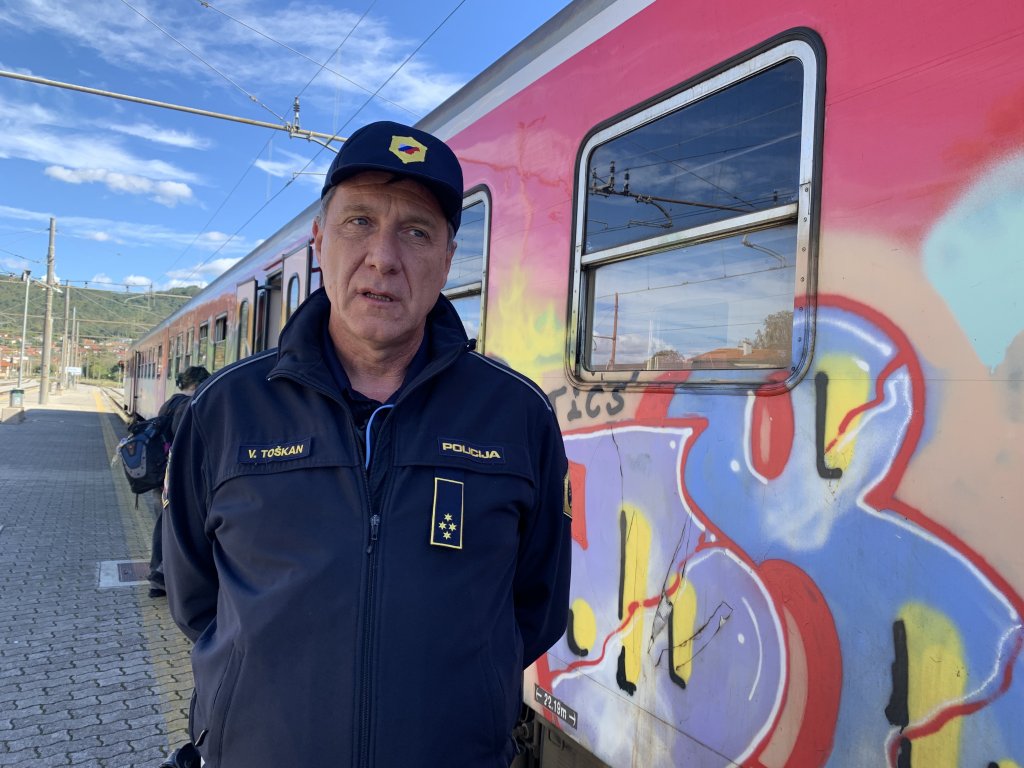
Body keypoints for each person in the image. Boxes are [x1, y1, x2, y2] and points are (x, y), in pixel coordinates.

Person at [163, 120, 572, 768]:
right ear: (321, 240)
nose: (384, 256)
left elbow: (535, 608)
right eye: (359, 221)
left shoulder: (517, 417)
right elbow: (194, 597)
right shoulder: (225, 410)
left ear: (447, 257)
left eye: (416, 230)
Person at [148, 365, 210, 598]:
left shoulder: (171, 403)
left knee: (162, 527)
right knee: (175, 530)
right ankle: (167, 580)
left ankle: (158, 578)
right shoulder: (188, 406)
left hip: (161, 474)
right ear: (199, 383)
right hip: (174, 480)